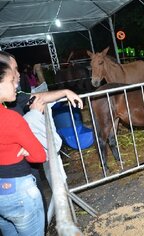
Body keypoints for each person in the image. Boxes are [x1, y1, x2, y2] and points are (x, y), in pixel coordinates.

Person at [0, 51, 83, 232]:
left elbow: (37, 97)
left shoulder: (13, 100)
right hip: (22, 185)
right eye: (13, 71)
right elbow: (39, 155)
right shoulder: (10, 116)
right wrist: (36, 114)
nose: (18, 75)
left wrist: (65, 91)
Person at [0, 61, 47, 235]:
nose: (16, 85)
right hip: (19, 192)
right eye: (11, 80)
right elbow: (39, 156)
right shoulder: (10, 118)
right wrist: (25, 149)